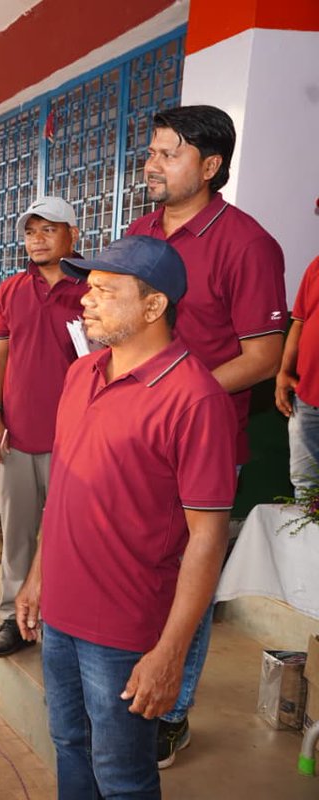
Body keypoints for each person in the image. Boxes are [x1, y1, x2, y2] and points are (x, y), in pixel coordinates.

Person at [14, 235, 237, 797]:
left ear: (154, 306)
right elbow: (62, 487)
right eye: (89, 289)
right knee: (68, 745)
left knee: (122, 776)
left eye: (106, 292)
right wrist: (36, 577)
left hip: (124, 631)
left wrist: (171, 654)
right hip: (60, 615)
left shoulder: (195, 399)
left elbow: (207, 541)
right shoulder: (82, 374)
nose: (86, 301)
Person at [126, 105, 287, 766]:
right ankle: (130, 685)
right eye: (153, 152)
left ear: (210, 166)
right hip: (132, 434)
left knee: (185, 579)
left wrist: (176, 393)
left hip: (203, 441)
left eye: (168, 154)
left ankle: (172, 709)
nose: (153, 165)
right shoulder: (139, 231)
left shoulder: (247, 243)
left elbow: (263, 355)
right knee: (137, 569)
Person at [0, 196, 87, 658]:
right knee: (18, 532)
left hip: (76, 441)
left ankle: (63, 624)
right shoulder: (10, 291)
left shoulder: (93, 291)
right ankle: (13, 617)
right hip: (16, 438)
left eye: (49, 229)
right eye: (31, 231)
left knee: (71, 535)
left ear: (72, 236)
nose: (37, 240)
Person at [275, 254, 319, 495]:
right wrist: (284, 372)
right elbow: (299, 323)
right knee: (306, 489)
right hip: (307, 397)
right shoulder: (315, 266)